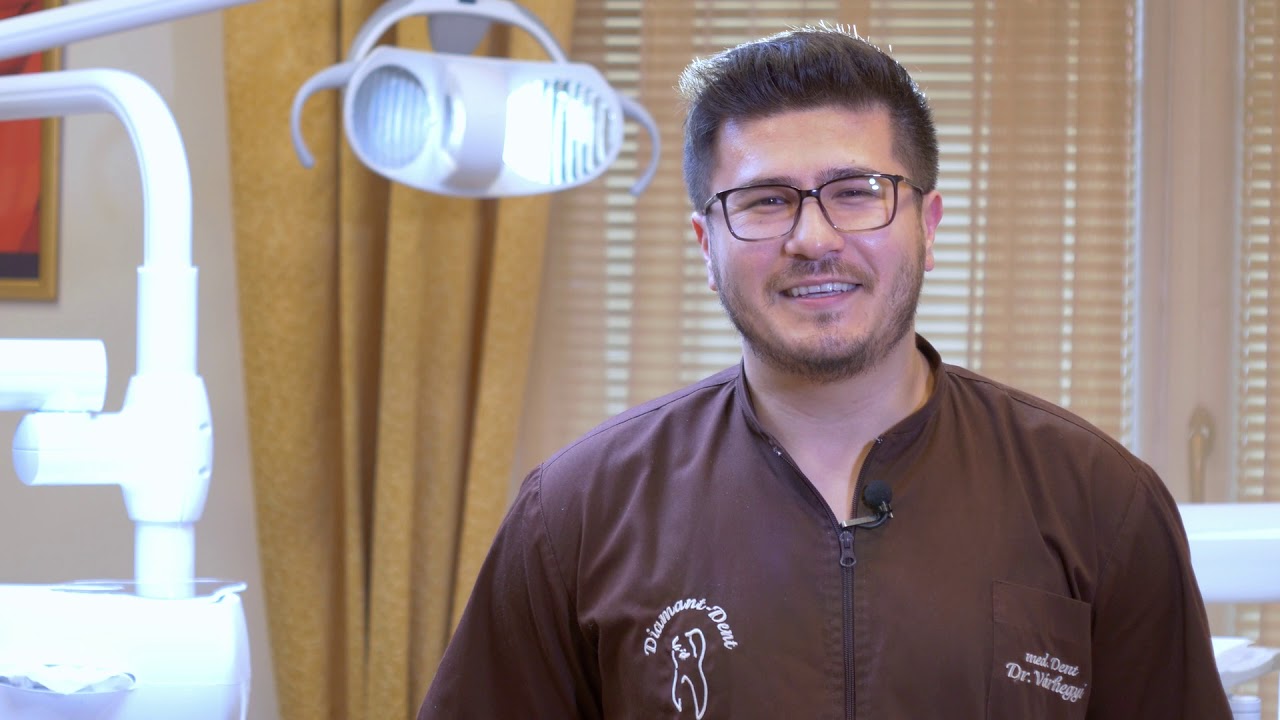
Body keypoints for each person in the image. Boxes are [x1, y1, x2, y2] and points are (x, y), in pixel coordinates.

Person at [419, 25, 1232, 719]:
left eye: (856, 191)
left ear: (928, 225)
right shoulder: (577, 514)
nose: (812, 239)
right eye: (765, 201)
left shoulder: (1099, 502)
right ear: (706, 246)